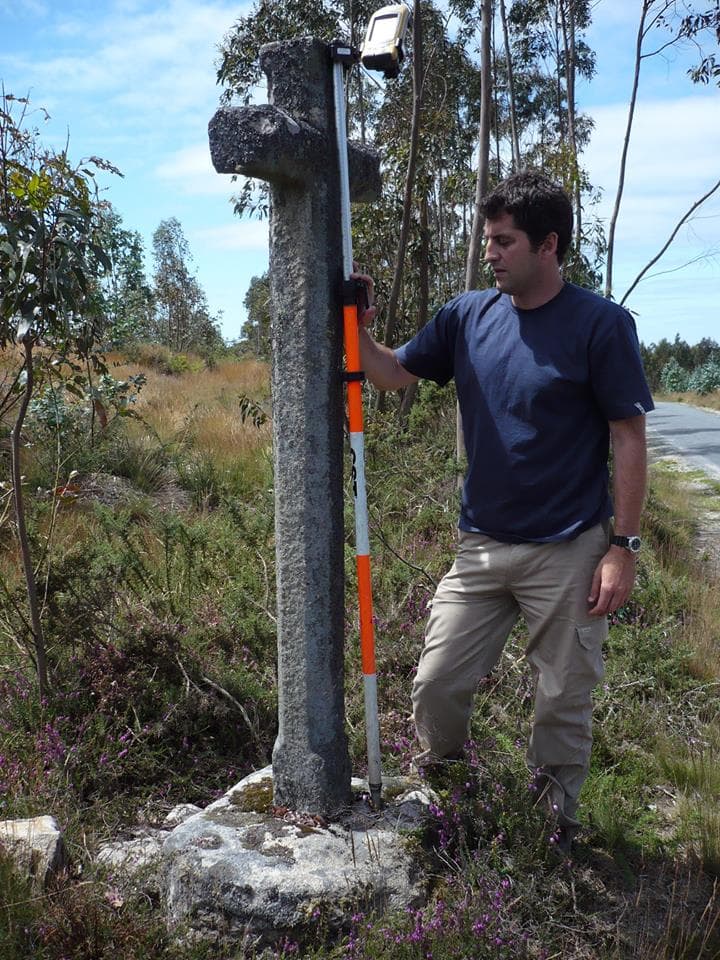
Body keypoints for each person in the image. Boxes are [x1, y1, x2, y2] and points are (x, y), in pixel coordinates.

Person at [354, 171, 654, 847]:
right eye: (487, 239)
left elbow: (628, 437)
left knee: (562, 699)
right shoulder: (467, 317)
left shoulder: (600, 325)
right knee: (436, 681)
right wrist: (359, 330)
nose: (490, 253)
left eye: (504, 241)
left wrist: (621, 548)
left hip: (571, 548)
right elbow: (392, 373)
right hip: (481, 547)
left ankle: (555, 828)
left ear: (548, 246)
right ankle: (449, 786)